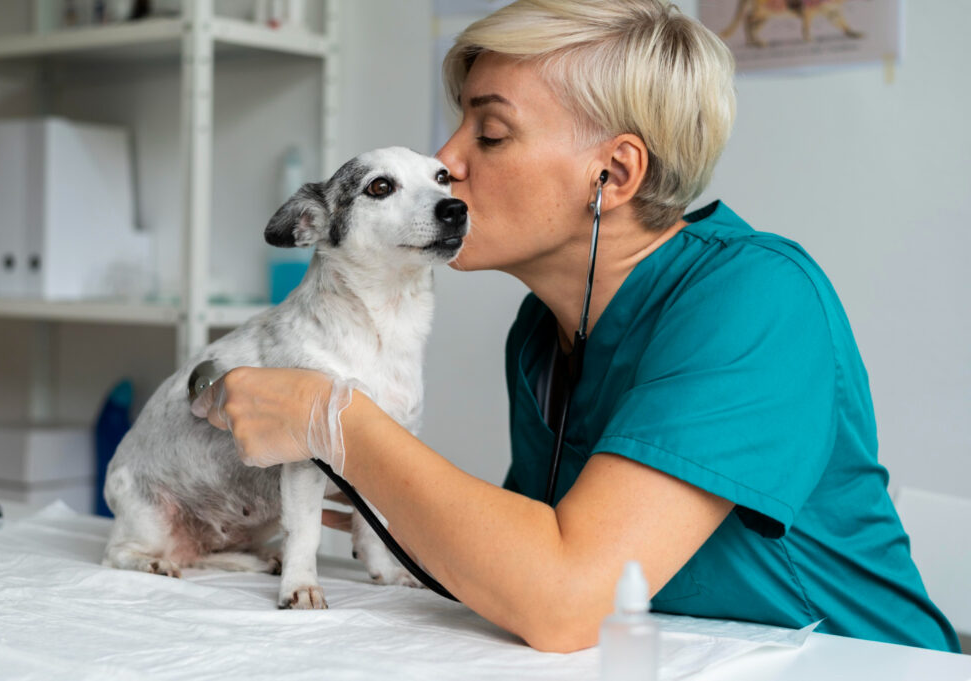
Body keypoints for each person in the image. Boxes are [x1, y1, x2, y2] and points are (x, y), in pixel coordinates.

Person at [194, 0, 960, 654]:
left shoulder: (758, 299)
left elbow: (564, 599)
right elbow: (516, 564)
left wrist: (331, 419)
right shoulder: (541, 333)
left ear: (615, 175)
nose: (446, 160)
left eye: (488, 134)